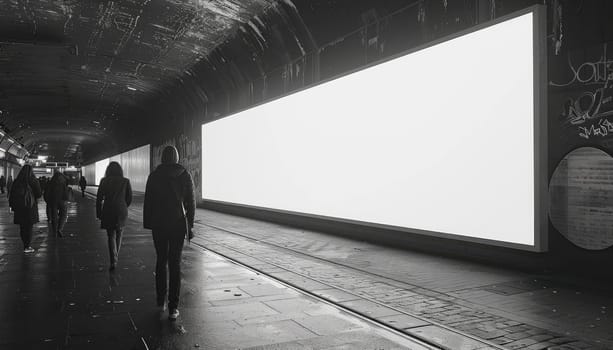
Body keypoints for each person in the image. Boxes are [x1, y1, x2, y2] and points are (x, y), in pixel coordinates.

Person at [144, 146, 195, 321]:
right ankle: (173, 308)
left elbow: (148, 201)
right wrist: (191, 225)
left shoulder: (154, 176)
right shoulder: (185, 175)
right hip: (178, 224)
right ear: (177, 157)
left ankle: (161, 300)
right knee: (175, 263)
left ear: (162, 157)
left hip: (159, 223)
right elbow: (191, 202)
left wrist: (148, 222)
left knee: (161, 260)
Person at [96, 162, 132, 271]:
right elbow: (129, 198)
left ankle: (113, 260)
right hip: (121, 210)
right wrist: (123, 206)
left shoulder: (104, 181)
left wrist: (99, 213)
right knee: (119, 233)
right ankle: (116, 257)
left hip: (108, 210)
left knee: (110, 235)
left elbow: (99, 199)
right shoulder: (125, 181)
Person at [8, 165, 42, 253]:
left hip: (19, 208)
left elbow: (12, 195)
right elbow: (38, 194)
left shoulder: (17, 181)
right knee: (29, 227)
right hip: (30, 207)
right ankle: (27, 246)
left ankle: (25, 245)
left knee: (22, 227)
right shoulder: (33, 180)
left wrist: (12, 206)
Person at [44, 170, 69, 237]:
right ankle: (60, 229)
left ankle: (54, 231)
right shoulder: (63, 183)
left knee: (54, 217)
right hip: (62, 201)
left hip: (53, 201)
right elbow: (66, 193)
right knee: (63, 215)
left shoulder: (50, 183)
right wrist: (66, 200)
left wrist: (48, 201)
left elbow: (46, 193)